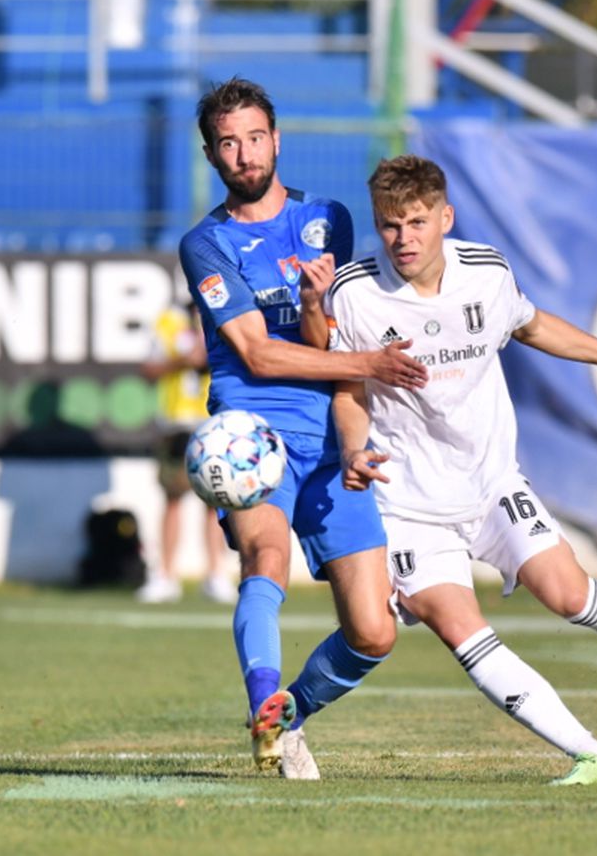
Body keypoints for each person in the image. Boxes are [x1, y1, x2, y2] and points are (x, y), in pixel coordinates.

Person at [320, 155, 597, 786]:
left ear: (445, 218)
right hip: (411, 504)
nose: (404, 239)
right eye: (390, 225)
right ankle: (594, 758)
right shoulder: (356, 294)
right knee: (458, 625)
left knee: (569, 594)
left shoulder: (486, 273)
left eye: (417, 222)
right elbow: (347, 389)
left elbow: (531, 326)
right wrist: (354, 449)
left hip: (493, 481)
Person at [178, 78, 429, 779]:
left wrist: (323, 310)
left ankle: (290, 716)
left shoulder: (329, 219)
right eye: (228, 142)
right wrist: (367, 360)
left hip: (332, 433)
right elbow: (256, 352)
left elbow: (325, 337)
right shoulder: (206, 244)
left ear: (277, 140)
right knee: (265, 561)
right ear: (211, 154)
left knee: (374, 632)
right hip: (252, 435)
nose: (244, 152)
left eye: (255, 137)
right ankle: (262, 704)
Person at [136, 300, 239, 605]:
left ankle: (217, 575)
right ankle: (165, 575)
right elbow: (149, 369)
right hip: (176, 423)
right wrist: (183, 361)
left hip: (215, 421)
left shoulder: (227, 312)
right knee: (172, 498)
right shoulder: (169, 319)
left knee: (217, 500)